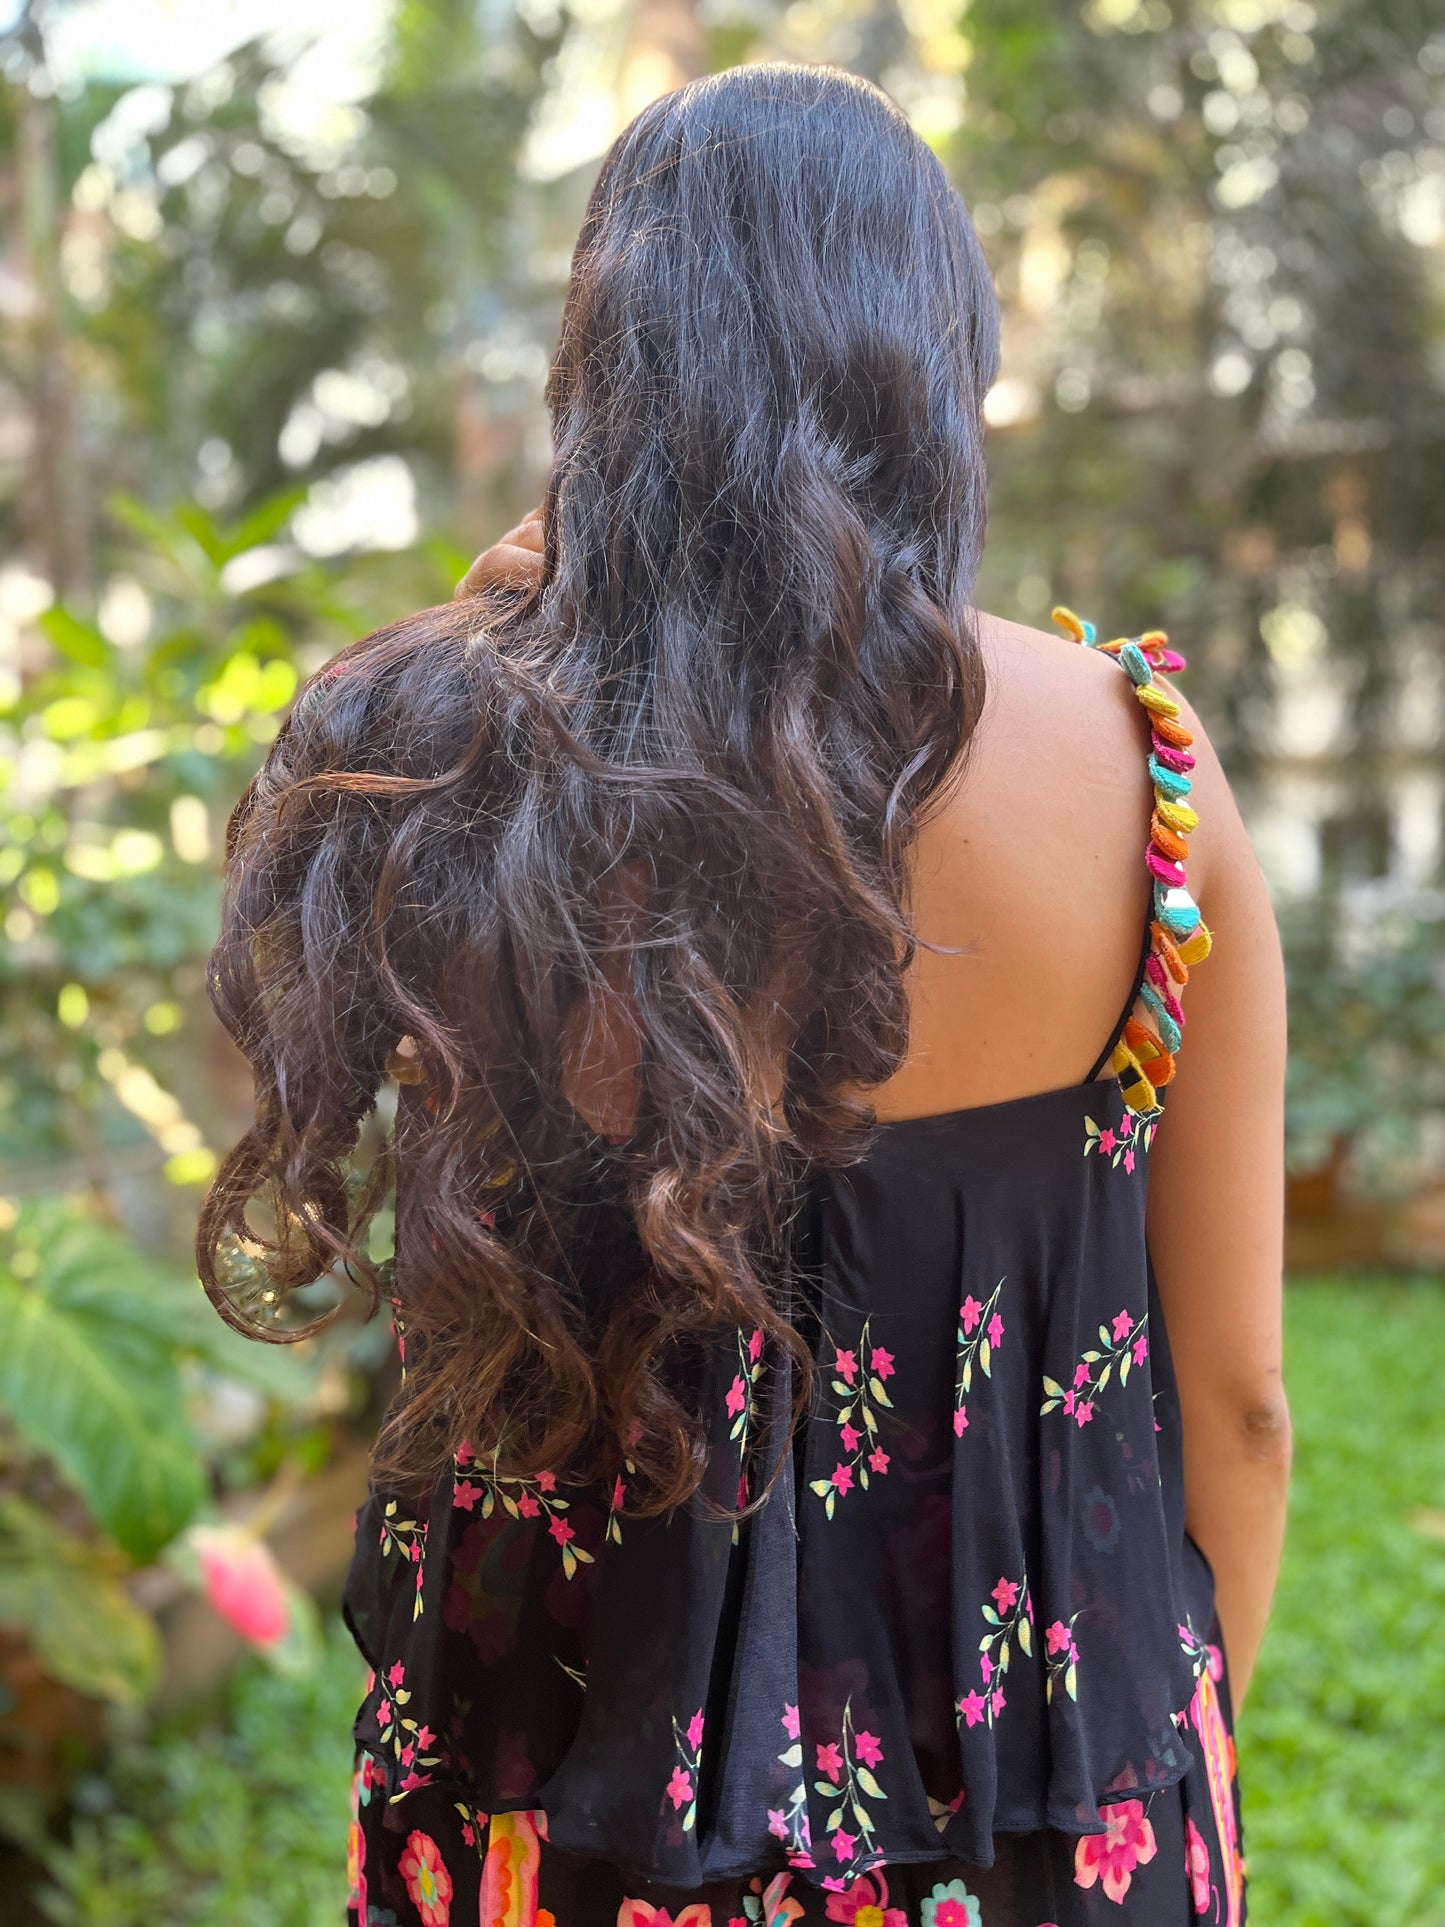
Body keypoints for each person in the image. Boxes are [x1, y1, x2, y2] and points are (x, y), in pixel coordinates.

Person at [200, 63, 1290, 1927]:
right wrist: (1158, 1740)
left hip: (562, 1809)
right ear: (932, 364)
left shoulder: (456, 776)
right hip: (1042, 1794)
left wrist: (481, 651)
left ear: (606, 358)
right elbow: (1241, 1401)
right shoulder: (1143, 770)